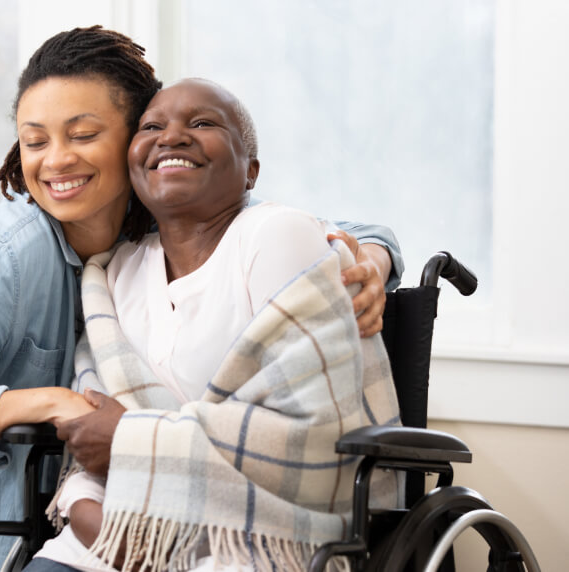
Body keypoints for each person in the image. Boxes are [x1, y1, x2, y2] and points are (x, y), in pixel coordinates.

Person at [0, 28, 402, 572]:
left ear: (132, 139)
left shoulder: (161, 219)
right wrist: (50, 403)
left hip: (132, 499)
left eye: (83, 134)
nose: (57, 161)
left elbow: (309, 224)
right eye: (36, 141)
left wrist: (373, 259)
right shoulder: (4, 256)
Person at [30, 79, 401, 571]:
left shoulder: (277, 236)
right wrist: (91, 519)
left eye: (202, 123)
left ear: (251, 171)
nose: (172, 137)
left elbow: (312, 435)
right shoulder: (112, 273)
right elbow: (89, 432)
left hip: (256, 537)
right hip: (122, 528)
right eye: (152, 127)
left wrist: (131, 437)